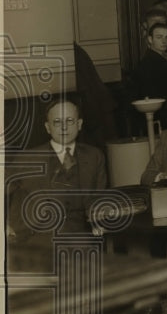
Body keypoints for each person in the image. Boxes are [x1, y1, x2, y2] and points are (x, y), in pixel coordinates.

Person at [7, 100, 108, 248]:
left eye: (70, 120)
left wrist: (99, 220)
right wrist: (3, 225)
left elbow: (99, 198)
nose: (64, 127)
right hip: (33, 241)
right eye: (57, 122)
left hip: (81, 239)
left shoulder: (94, 156)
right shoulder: (28, 159)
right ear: (48, 128)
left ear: (79, 124)